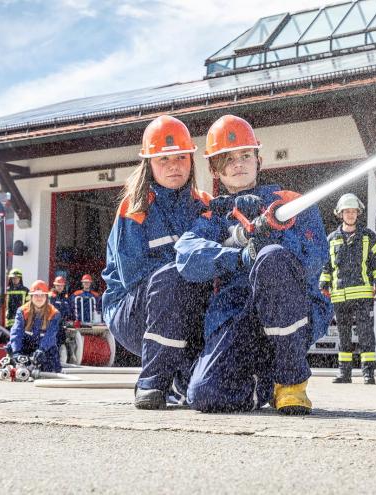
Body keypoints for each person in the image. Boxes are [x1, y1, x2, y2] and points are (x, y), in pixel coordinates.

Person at [175, 115, 333, 415]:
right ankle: (259, 386)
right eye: (228, 159)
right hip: (239, 320)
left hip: (292, 312)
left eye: (245, 155)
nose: (238, 164)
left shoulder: (290, 204)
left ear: (258, 159)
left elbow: (314, 260)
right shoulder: (212, 217)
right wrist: (239, 253)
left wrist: (273, 240)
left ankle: (290, 384)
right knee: (205, 395)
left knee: (272, 257)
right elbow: (187, 258)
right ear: (214, 169)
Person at [102, 115, 212, 409]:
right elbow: (134, 274)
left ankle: (186, 376)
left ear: (191, 160)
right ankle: (152, 382)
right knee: (173, 279)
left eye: (180, 157)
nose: (173, 166)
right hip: (132, 312)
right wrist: (189, 267)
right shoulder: (135, 209)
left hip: (182, 305)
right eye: (163, 159)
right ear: (149, 164)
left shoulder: (205, 206)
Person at [319, 193, 376, 385]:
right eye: (346, 211)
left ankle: (368, 374)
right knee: (344, 335)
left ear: (358, 213)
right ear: (340, 214)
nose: (350, 214)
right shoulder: (331, 239)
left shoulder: (369, 237)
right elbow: (326, 266)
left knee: (366, 333)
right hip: (339, 296)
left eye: (353, 211)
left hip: (363, 294)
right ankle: (344, 374)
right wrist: (324, 284)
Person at [5, 280, 61, 372]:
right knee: (11, 346)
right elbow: (16, 332)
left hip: (44, 347)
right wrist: (16, 352)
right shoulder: (22, 311)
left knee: (51, 363)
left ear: (46, 297)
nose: (39, 298)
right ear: (31, 296)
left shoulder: (54, 313)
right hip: (26, 345)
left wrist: (42, 349)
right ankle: (16, 368)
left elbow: (50, 335)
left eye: (42, 295)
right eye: (36, 295)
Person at [49, 275, 72, 347]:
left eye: (61, 286)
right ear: (54, 285)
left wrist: (70, 318)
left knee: (62, 345)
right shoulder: (51, 296)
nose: (60, 287)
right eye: (58, 285)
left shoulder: (65, 297)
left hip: (62, 326)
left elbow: (68, 311)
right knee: (52, 345)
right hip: (51, 326)